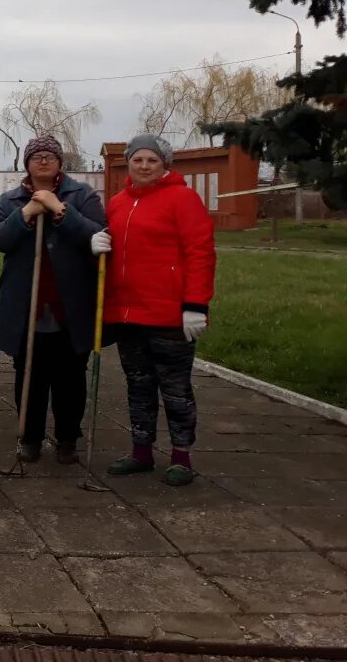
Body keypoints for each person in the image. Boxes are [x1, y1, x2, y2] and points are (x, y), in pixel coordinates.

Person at [92, 134, 216, 486]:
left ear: (164, 165)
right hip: (128, 315)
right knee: (138, 386)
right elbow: (117, 251)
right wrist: (97, 245)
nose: (144, 166)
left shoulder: (182, 199)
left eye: (152, 161)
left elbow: (200, 252)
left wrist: (195, 305)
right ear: (128, 163)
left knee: (175, 389)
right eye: (138, 160)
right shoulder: (117, 203)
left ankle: (181, 456)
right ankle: (141, 451)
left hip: (169, 315)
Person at [0, 135, 107, 464]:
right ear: (27, 163)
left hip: (70, 304)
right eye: (35, 156)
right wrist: (27, 212)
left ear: (59, 162)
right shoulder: (10, 200)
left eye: (49, 156)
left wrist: (59, 210)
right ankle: (30, 436)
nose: (42, 161)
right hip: (26, 306)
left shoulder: (82, 196)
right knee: (30, 375)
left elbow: (98, 236)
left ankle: (68, 438)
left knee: (70, 378)